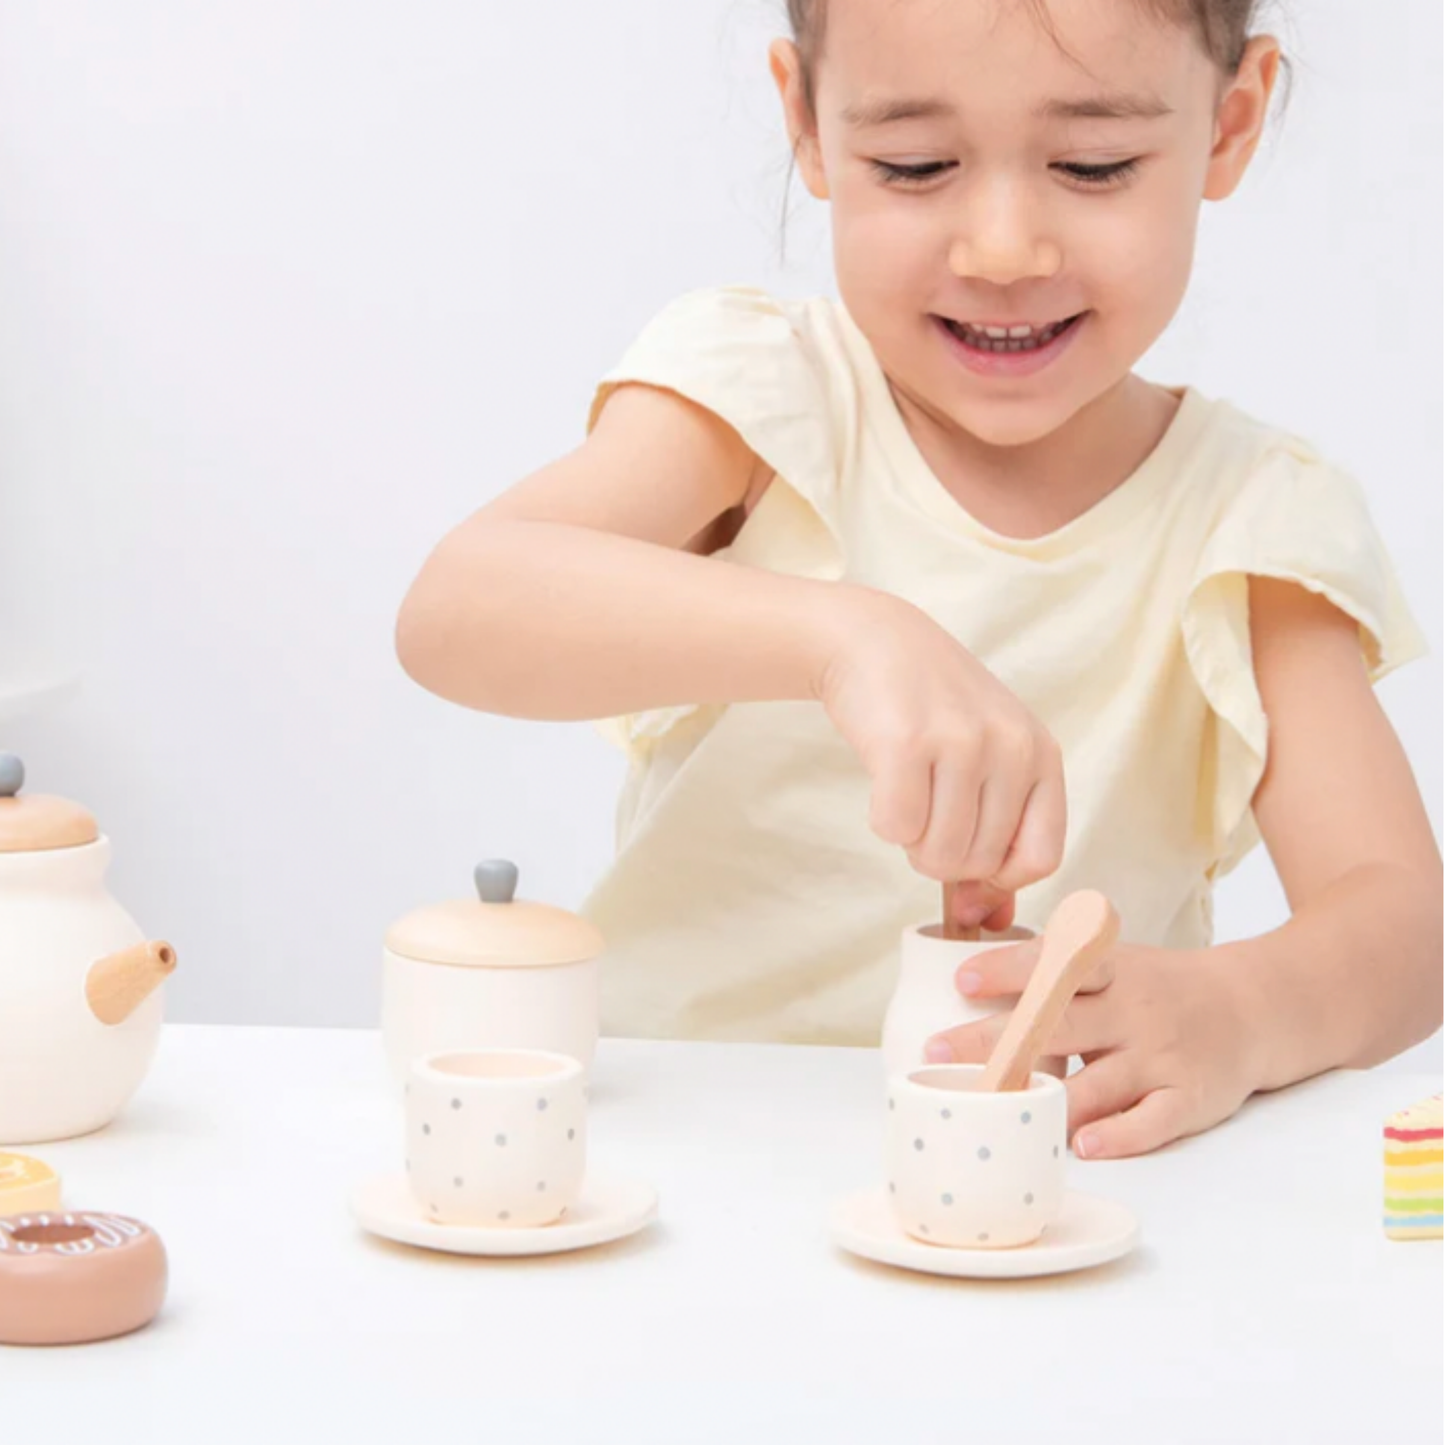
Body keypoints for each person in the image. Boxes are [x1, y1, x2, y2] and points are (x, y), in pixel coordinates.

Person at [395, 0, 1442, 1159]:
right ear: (807, 122)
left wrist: (1242, 1012)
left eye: (1093, 165)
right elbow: (457, 606)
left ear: (1227, 125)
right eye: (914, 165)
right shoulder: (765, 400)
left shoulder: (1247, 517)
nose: (1002, 249)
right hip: (678, 1161)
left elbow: (1402, 926)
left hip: (1034, 1183)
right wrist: (843, 637)